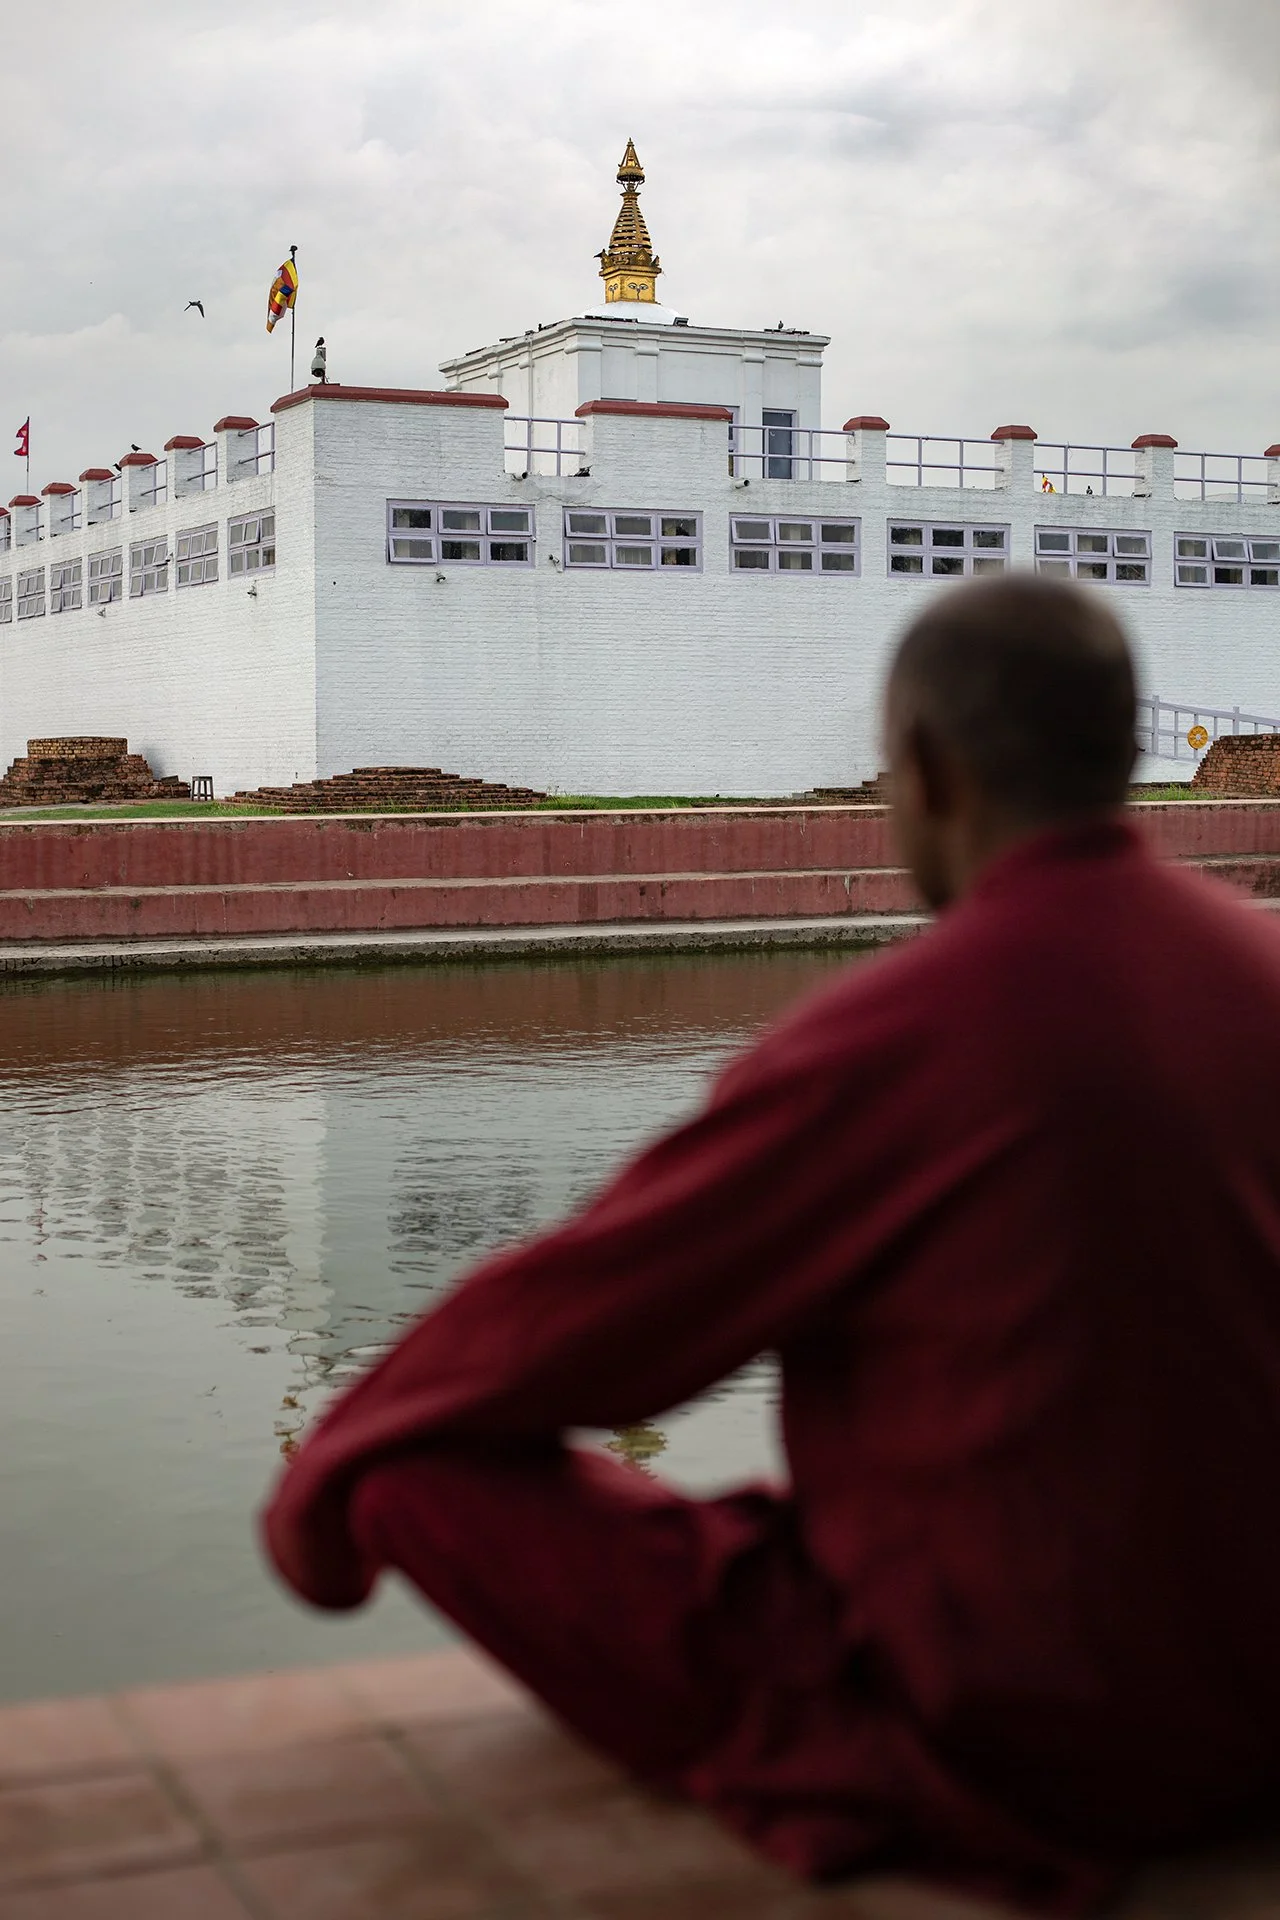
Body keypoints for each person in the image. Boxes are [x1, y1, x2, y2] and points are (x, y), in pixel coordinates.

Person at [264, 576, 1280, 1916]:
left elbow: (579, 1330)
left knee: (405, 1473)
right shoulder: (1257, 964)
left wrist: (322, 1485)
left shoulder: (905, 1032)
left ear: (922, 770)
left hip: (1037, 1736)